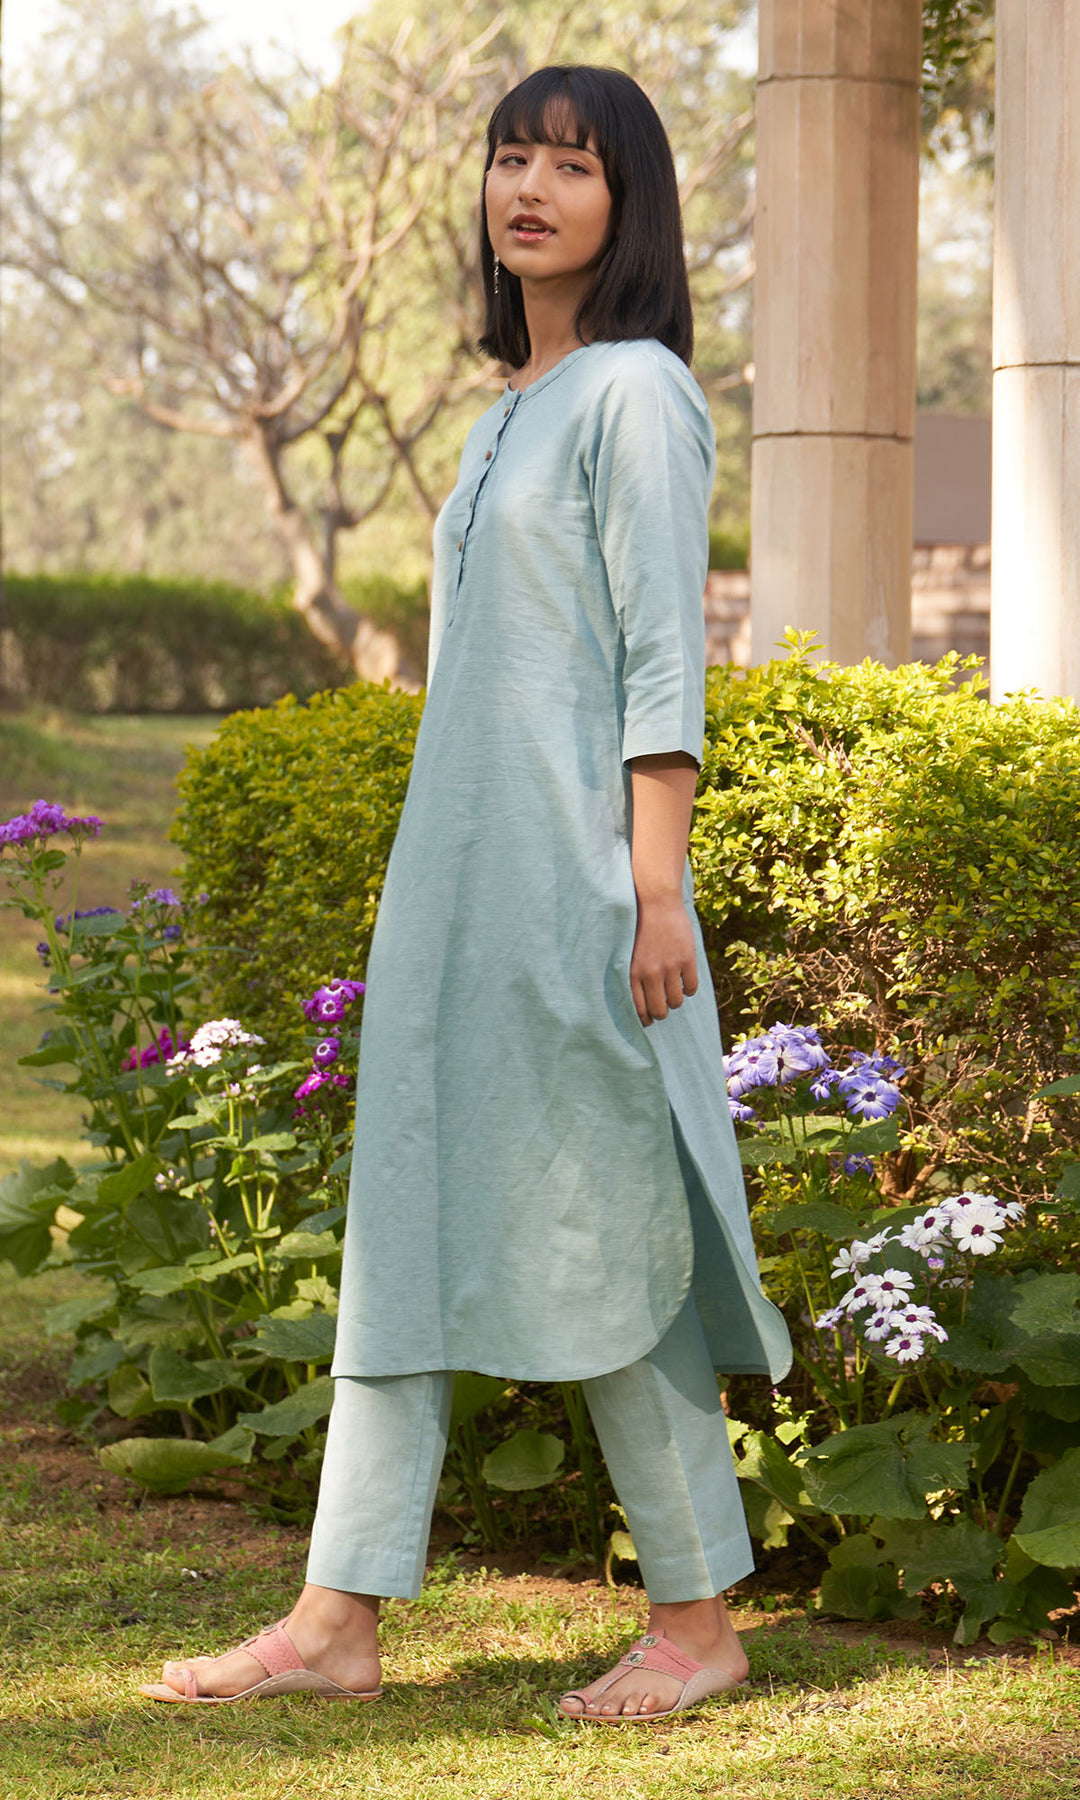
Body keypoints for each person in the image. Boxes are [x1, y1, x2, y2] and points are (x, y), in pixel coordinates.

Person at [140, 62, 791, 1725]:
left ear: (629, 202)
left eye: (572, 165)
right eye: (512, 157)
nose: (531, 189)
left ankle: (697, 1621)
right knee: (403, 1223)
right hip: (454, 891)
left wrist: (656, 887)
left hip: (581, 890)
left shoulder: (638, 393)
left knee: (615, 1218)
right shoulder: (505, 415)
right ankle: (334, 1616)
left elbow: (662, 659)